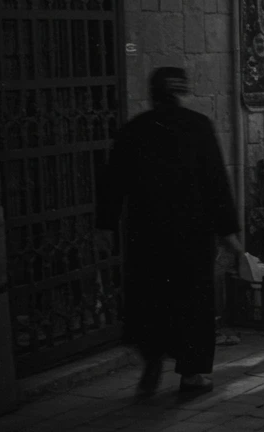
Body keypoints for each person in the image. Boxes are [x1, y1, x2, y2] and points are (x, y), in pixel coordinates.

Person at [96, 67, 243, 399]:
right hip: (191, 234)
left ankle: (151, 361)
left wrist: (105, 225)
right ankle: (191, 374)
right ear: (183, 92)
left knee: (150, 298)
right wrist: (228, 232)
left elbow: (112, 183)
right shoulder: (198, 127)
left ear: (153, 94)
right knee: (192, 301)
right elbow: (216, 183)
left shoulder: (134, 130)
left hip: (146, 234)